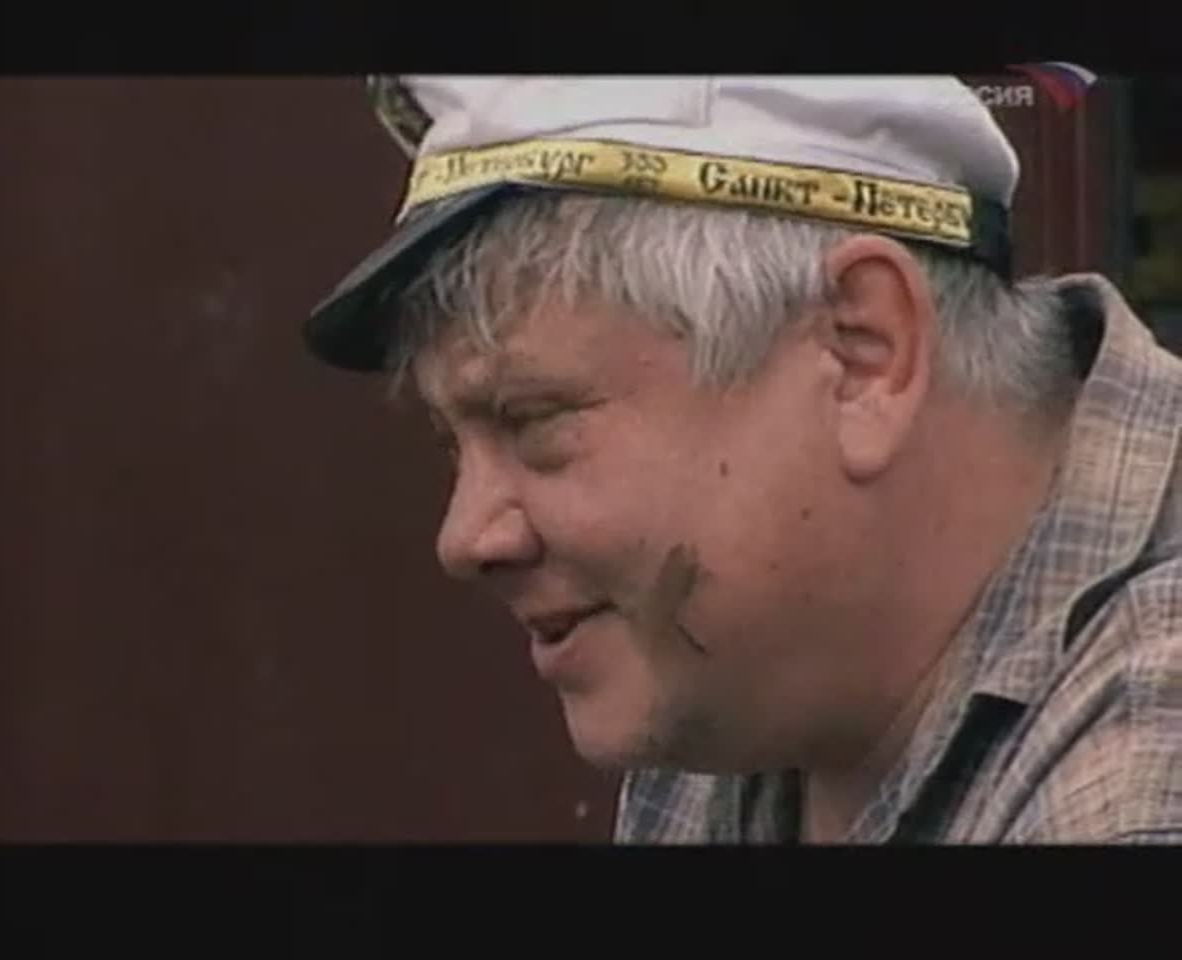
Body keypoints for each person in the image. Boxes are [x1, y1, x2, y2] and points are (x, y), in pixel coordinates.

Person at [303, 75, 1182, 844]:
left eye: (533, 420)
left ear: (863, 353)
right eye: (454, 442)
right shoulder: (745, 683)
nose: (465, 538)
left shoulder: (1137, 793)